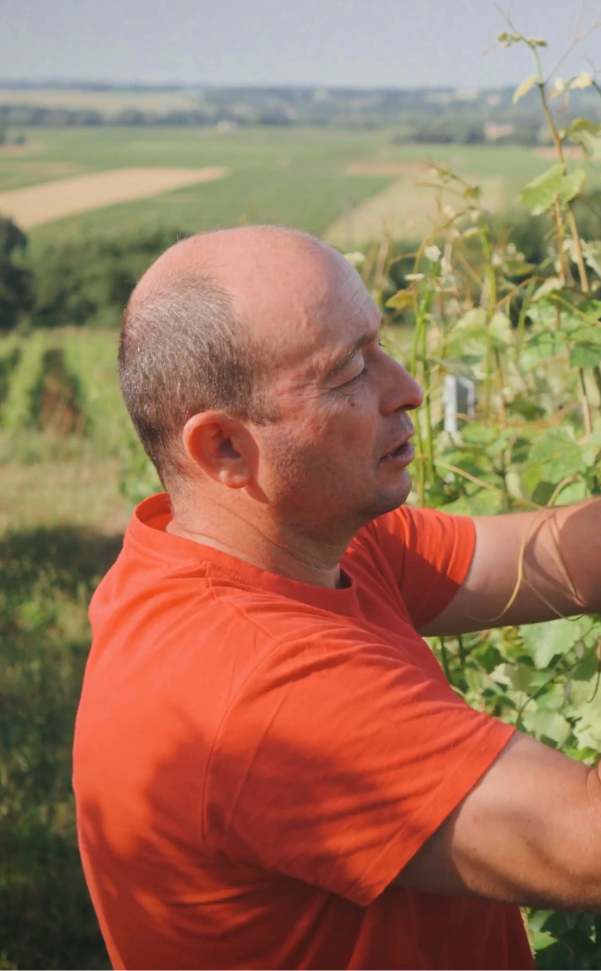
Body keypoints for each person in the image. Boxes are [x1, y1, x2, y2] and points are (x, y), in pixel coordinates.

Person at [73, 225, 601, 971]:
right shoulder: (268, 688)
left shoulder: (282, 545)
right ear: (222, 446)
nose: (407, 390)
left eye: (377, 343)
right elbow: (585, 843)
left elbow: (545, 559)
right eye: (348, 372)